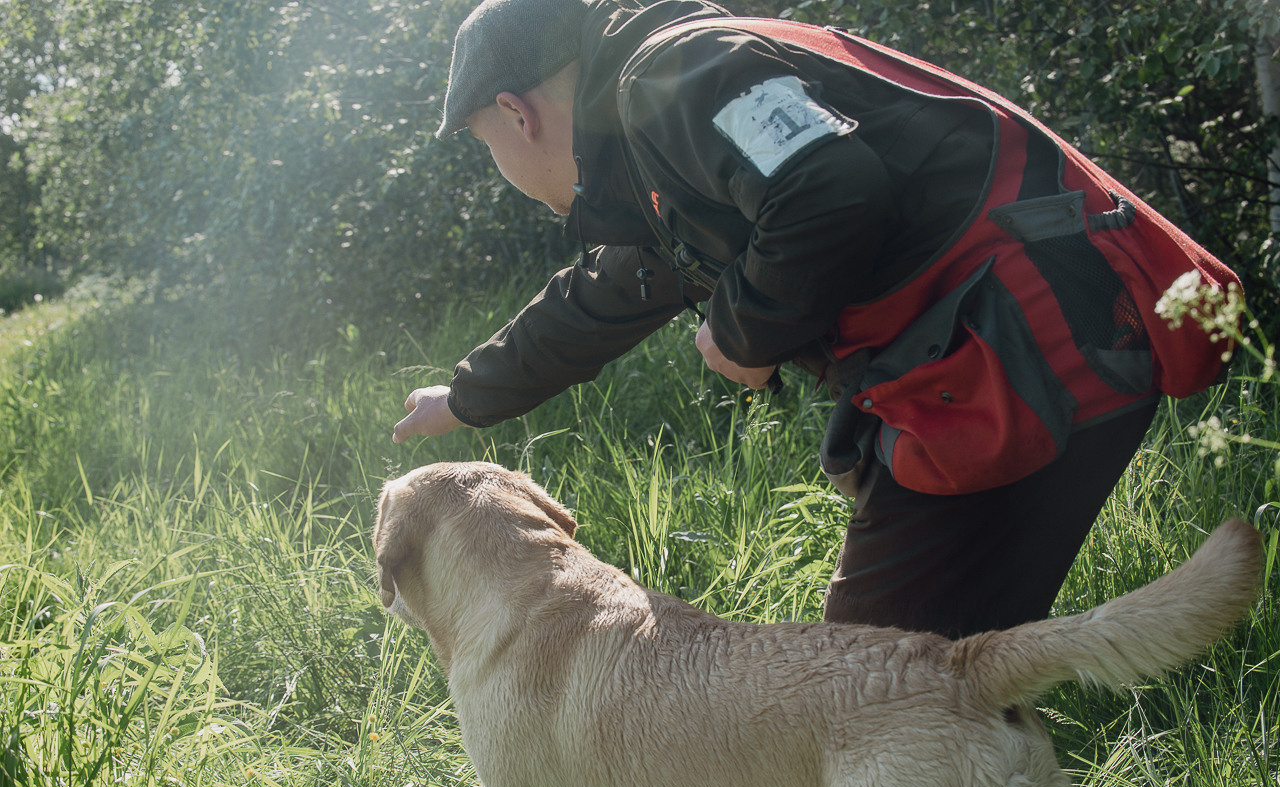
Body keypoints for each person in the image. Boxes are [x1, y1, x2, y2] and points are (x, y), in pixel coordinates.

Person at [391, 0, 1240, 638]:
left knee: (876, 691)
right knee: (920, 685)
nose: (497, 161)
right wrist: (465, 397)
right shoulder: (647, 127)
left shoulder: (674, 75)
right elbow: (615, 286)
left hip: (1030, 341)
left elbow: (827, 186)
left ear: (515, 112)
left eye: (480, 142)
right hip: (993, 346)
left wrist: (741, 330)